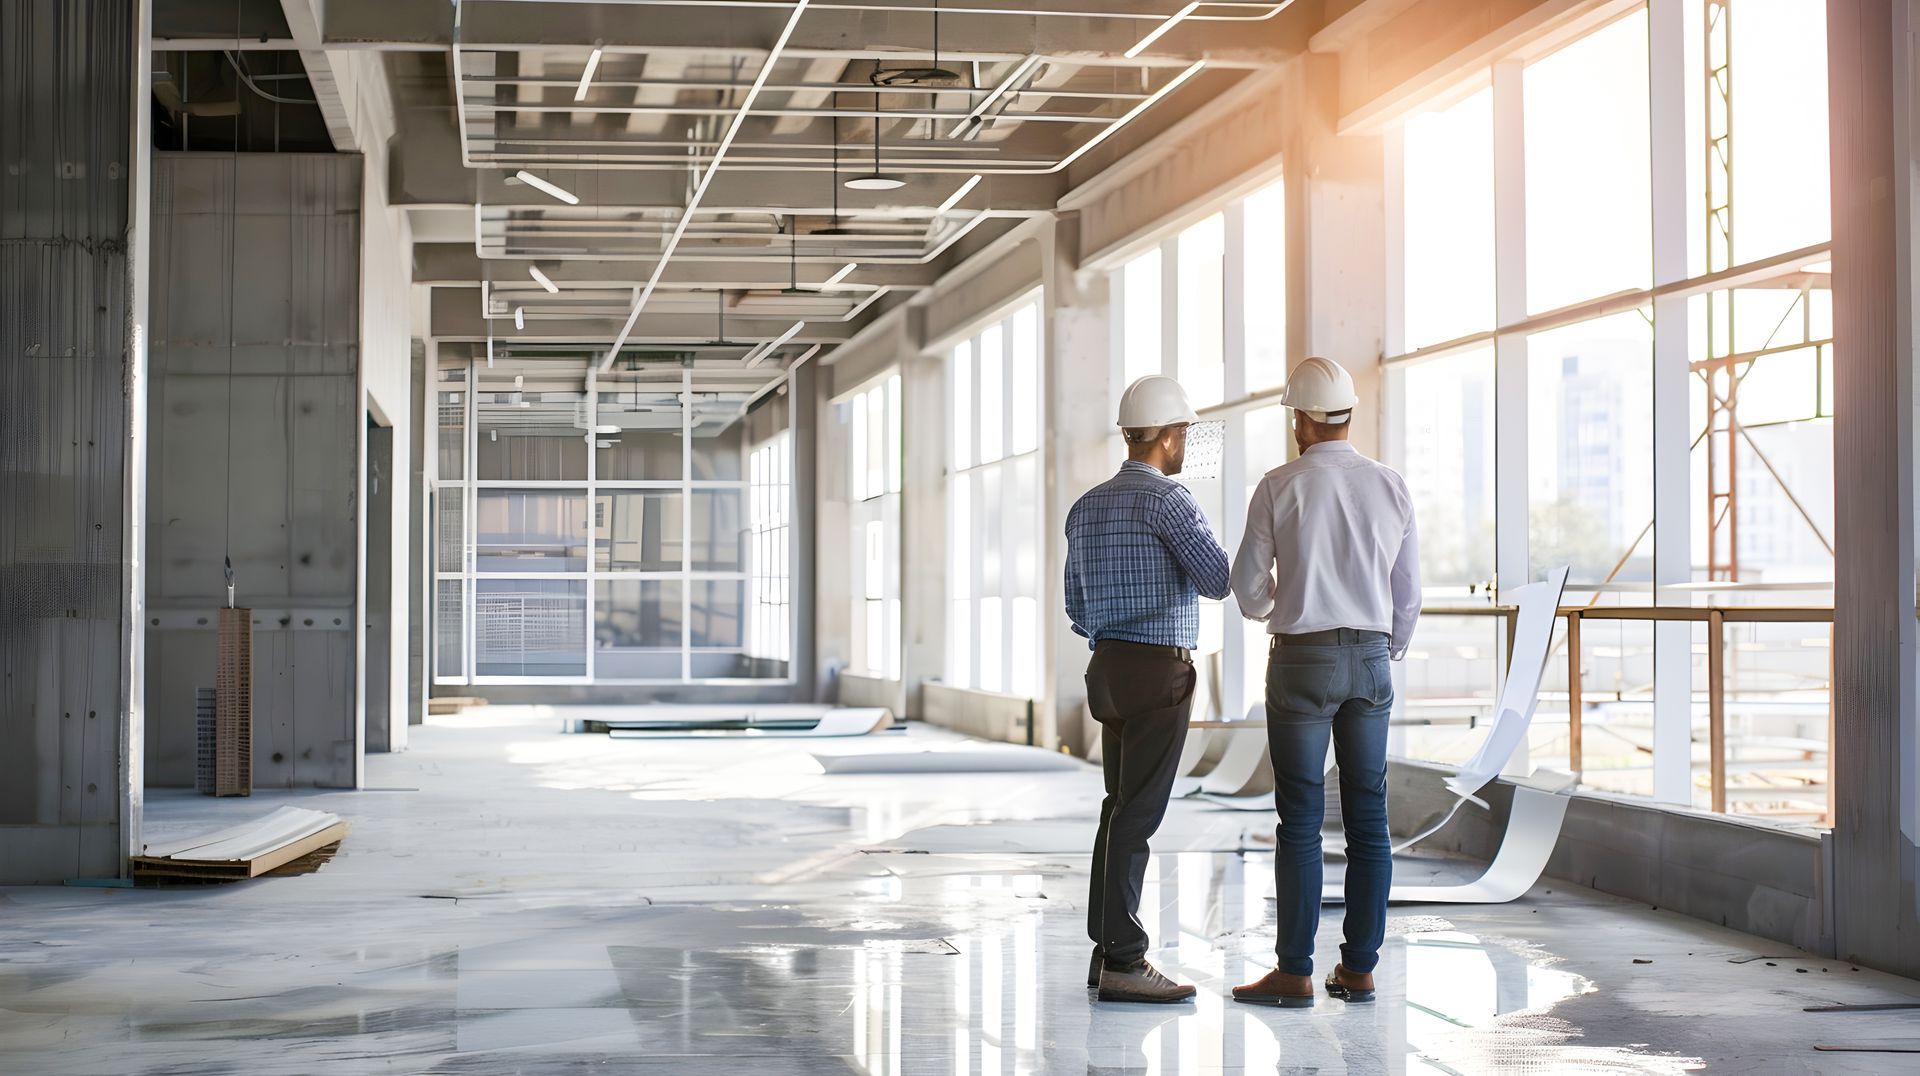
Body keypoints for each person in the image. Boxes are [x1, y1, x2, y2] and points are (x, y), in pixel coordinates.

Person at [1227, 356, 1420, 1008]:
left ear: (1301, 418)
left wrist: (1286, 600)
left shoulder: (1279, 485)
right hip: (1369, 658)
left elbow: (1248, 592)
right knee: (1370, 819)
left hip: (1301, 660)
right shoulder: (1390, 485)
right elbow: (1408, 592)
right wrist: (1385, 645)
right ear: (1347, 414)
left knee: (1301, 819)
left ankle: (1294, 971)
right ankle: (1360, 969)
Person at [1065, 374, 1231, 1003]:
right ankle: (1127, 960)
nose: (1185, 442)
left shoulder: (1087, 506)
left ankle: (1105, 951)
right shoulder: (1171, 502)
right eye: (1183, 431)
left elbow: (1075, 604)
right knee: (1140, 812)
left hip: (1105, 668)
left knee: (1117, 806)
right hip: (1159, 669)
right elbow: (1217, 581)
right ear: (1165, 436)